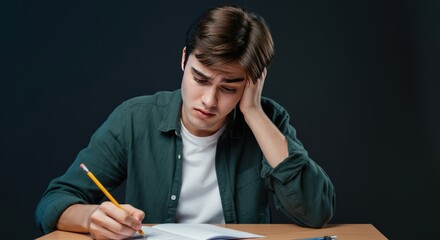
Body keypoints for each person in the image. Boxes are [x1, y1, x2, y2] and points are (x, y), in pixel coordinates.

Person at [36, 5, 335, 240]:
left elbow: (315, 212)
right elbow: (53, 203)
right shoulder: (135, 118)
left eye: (229, 88)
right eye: (199, 78)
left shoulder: (268, 121)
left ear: (252, 84)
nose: (209, 100)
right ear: (184, 59)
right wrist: (91, 218)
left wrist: (254, 112)